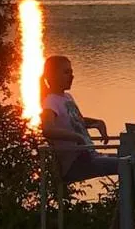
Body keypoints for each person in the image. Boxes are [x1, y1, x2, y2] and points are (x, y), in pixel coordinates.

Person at [40, 55, 118, 183]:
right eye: (66, 72)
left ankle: (132, 200)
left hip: (90, 156)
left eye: (71, 72)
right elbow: (47, 129)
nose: (71, 76)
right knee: (126, 164)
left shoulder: (67, 97)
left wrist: (97, 123)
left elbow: (76, 120)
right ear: (52, 76)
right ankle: (127, 202)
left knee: (130, 158)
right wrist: (77, 137)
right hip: (75, 163)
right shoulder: (50, 102)